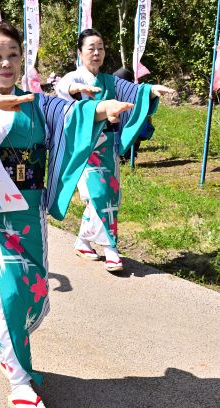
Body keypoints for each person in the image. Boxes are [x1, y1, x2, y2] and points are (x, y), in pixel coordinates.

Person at [0, 21, 134, 408]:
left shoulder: (36, 101)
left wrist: (103, 108)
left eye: (13, 55)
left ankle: (6, 344)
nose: (6, 63)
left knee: (33, 292)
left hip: (28, 211)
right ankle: (18, 379)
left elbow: (70, 113)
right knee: (11, 291)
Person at [54, 29, 174, 272]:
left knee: (110, 196)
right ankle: (111, 249)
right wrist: (74, 89)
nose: (96, 52)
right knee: (98, 195)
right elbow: (64, 88)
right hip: (85, 148)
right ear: (80, 53)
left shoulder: (110, 80)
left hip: (108, 146)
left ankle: (83, 242)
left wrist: (150, 91)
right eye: (91, 48)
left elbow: (132, 91)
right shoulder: (73, 77)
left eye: (100, 47)